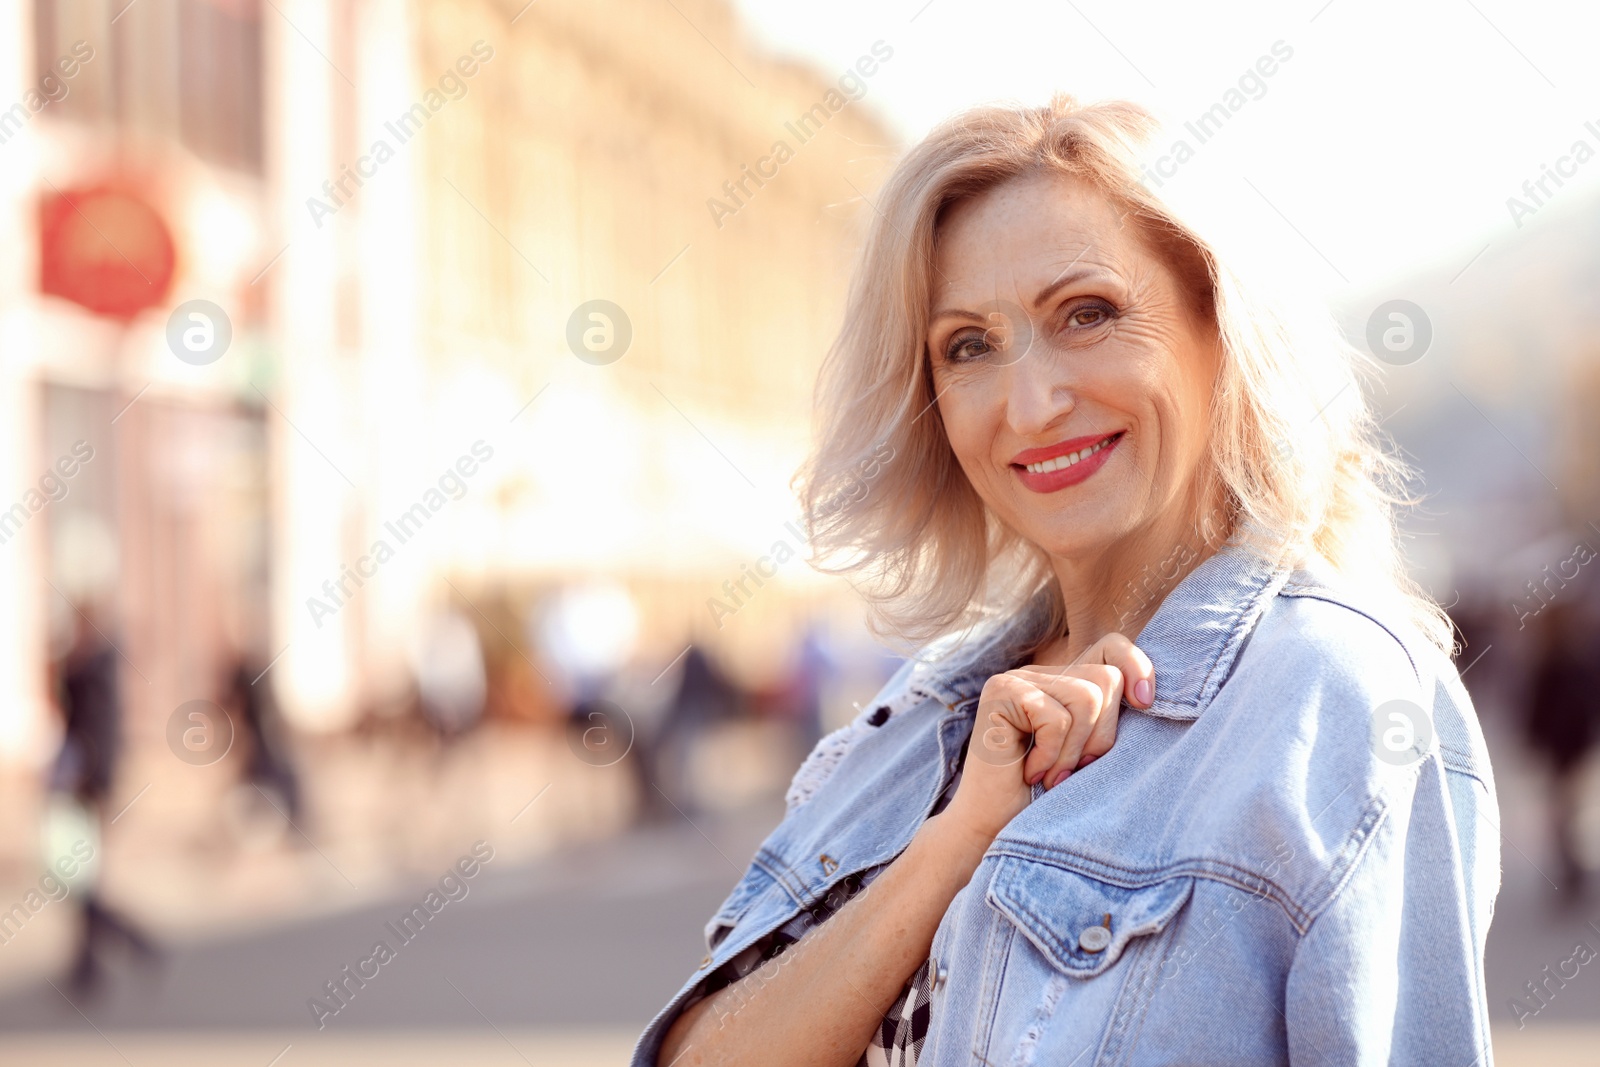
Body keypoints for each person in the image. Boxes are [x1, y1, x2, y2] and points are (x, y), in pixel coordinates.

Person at [635, 95, 1498, 1067]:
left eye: (1086, 314)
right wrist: (949, 847)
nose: (1032, 403)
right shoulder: (920, 712)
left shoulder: (1333, 693)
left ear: (1222, 327)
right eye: (968, 345)